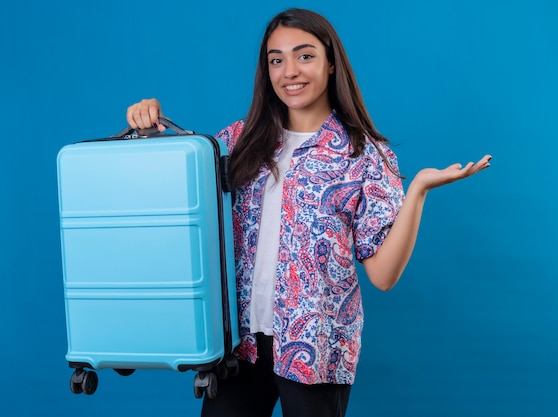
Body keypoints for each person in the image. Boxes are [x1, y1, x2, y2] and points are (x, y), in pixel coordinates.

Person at [126, 8, 491, 417]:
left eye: (304, 56)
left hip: (317, 349)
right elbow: (176, 199)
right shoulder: (237, 141)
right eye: (276, 60)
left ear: (331, 62)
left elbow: (383, 276)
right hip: (237, 346)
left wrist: (419, 190)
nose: (289, 71)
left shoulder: (365, 156)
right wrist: (150, 132)